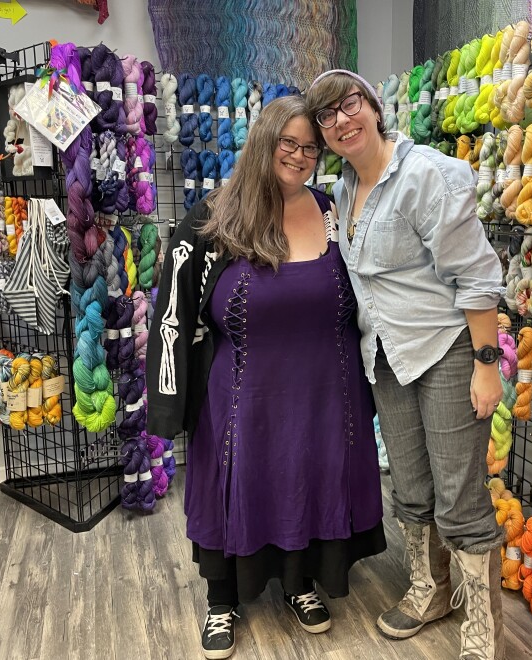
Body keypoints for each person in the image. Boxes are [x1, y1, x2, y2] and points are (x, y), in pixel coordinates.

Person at [146, 95, 386, 660]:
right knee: (238, 488)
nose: (301, 156)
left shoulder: (332, 211)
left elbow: (371, 294)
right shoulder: (214, 217)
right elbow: (172, 314)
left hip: (325, 396)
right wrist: (166, 405)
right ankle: (222, 599)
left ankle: (300, 584)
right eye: (289, 144)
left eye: (310, 147)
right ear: (264, 143)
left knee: (307, 482)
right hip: (241, 398)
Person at [307, 71, 506, 660]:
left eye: (350, 105)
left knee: (460, 494)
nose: (342, 121)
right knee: (412, 488)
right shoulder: (342, 190)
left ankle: (483, 627)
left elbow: (475, 275)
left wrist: (486, 363)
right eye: (328, 116)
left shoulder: (429, 175)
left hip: (445, 350)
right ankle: (429, 589)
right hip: (386, 358)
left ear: (373, 106)